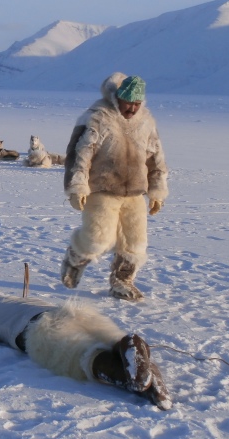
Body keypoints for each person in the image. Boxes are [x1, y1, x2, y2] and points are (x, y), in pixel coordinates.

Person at [0, 294, 172, 410]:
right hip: (70, 311)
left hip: (41, 329)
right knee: (112, 341)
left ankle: (128, 379)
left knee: (83, 357)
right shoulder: (23, 299)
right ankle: (133, 350)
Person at [61, 73, 168, 300]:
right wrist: (77, 186)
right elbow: (81, 154)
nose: (132, 108)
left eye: (137, 103)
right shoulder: (100, 117)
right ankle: (75, 257)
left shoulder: (146, 121)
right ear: (118, 97)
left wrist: (157, 189)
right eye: (129, 102)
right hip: (102, 188)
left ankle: (121, 281)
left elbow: (155, 158)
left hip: (134, 192)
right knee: (97, 239)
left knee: (136, 243)